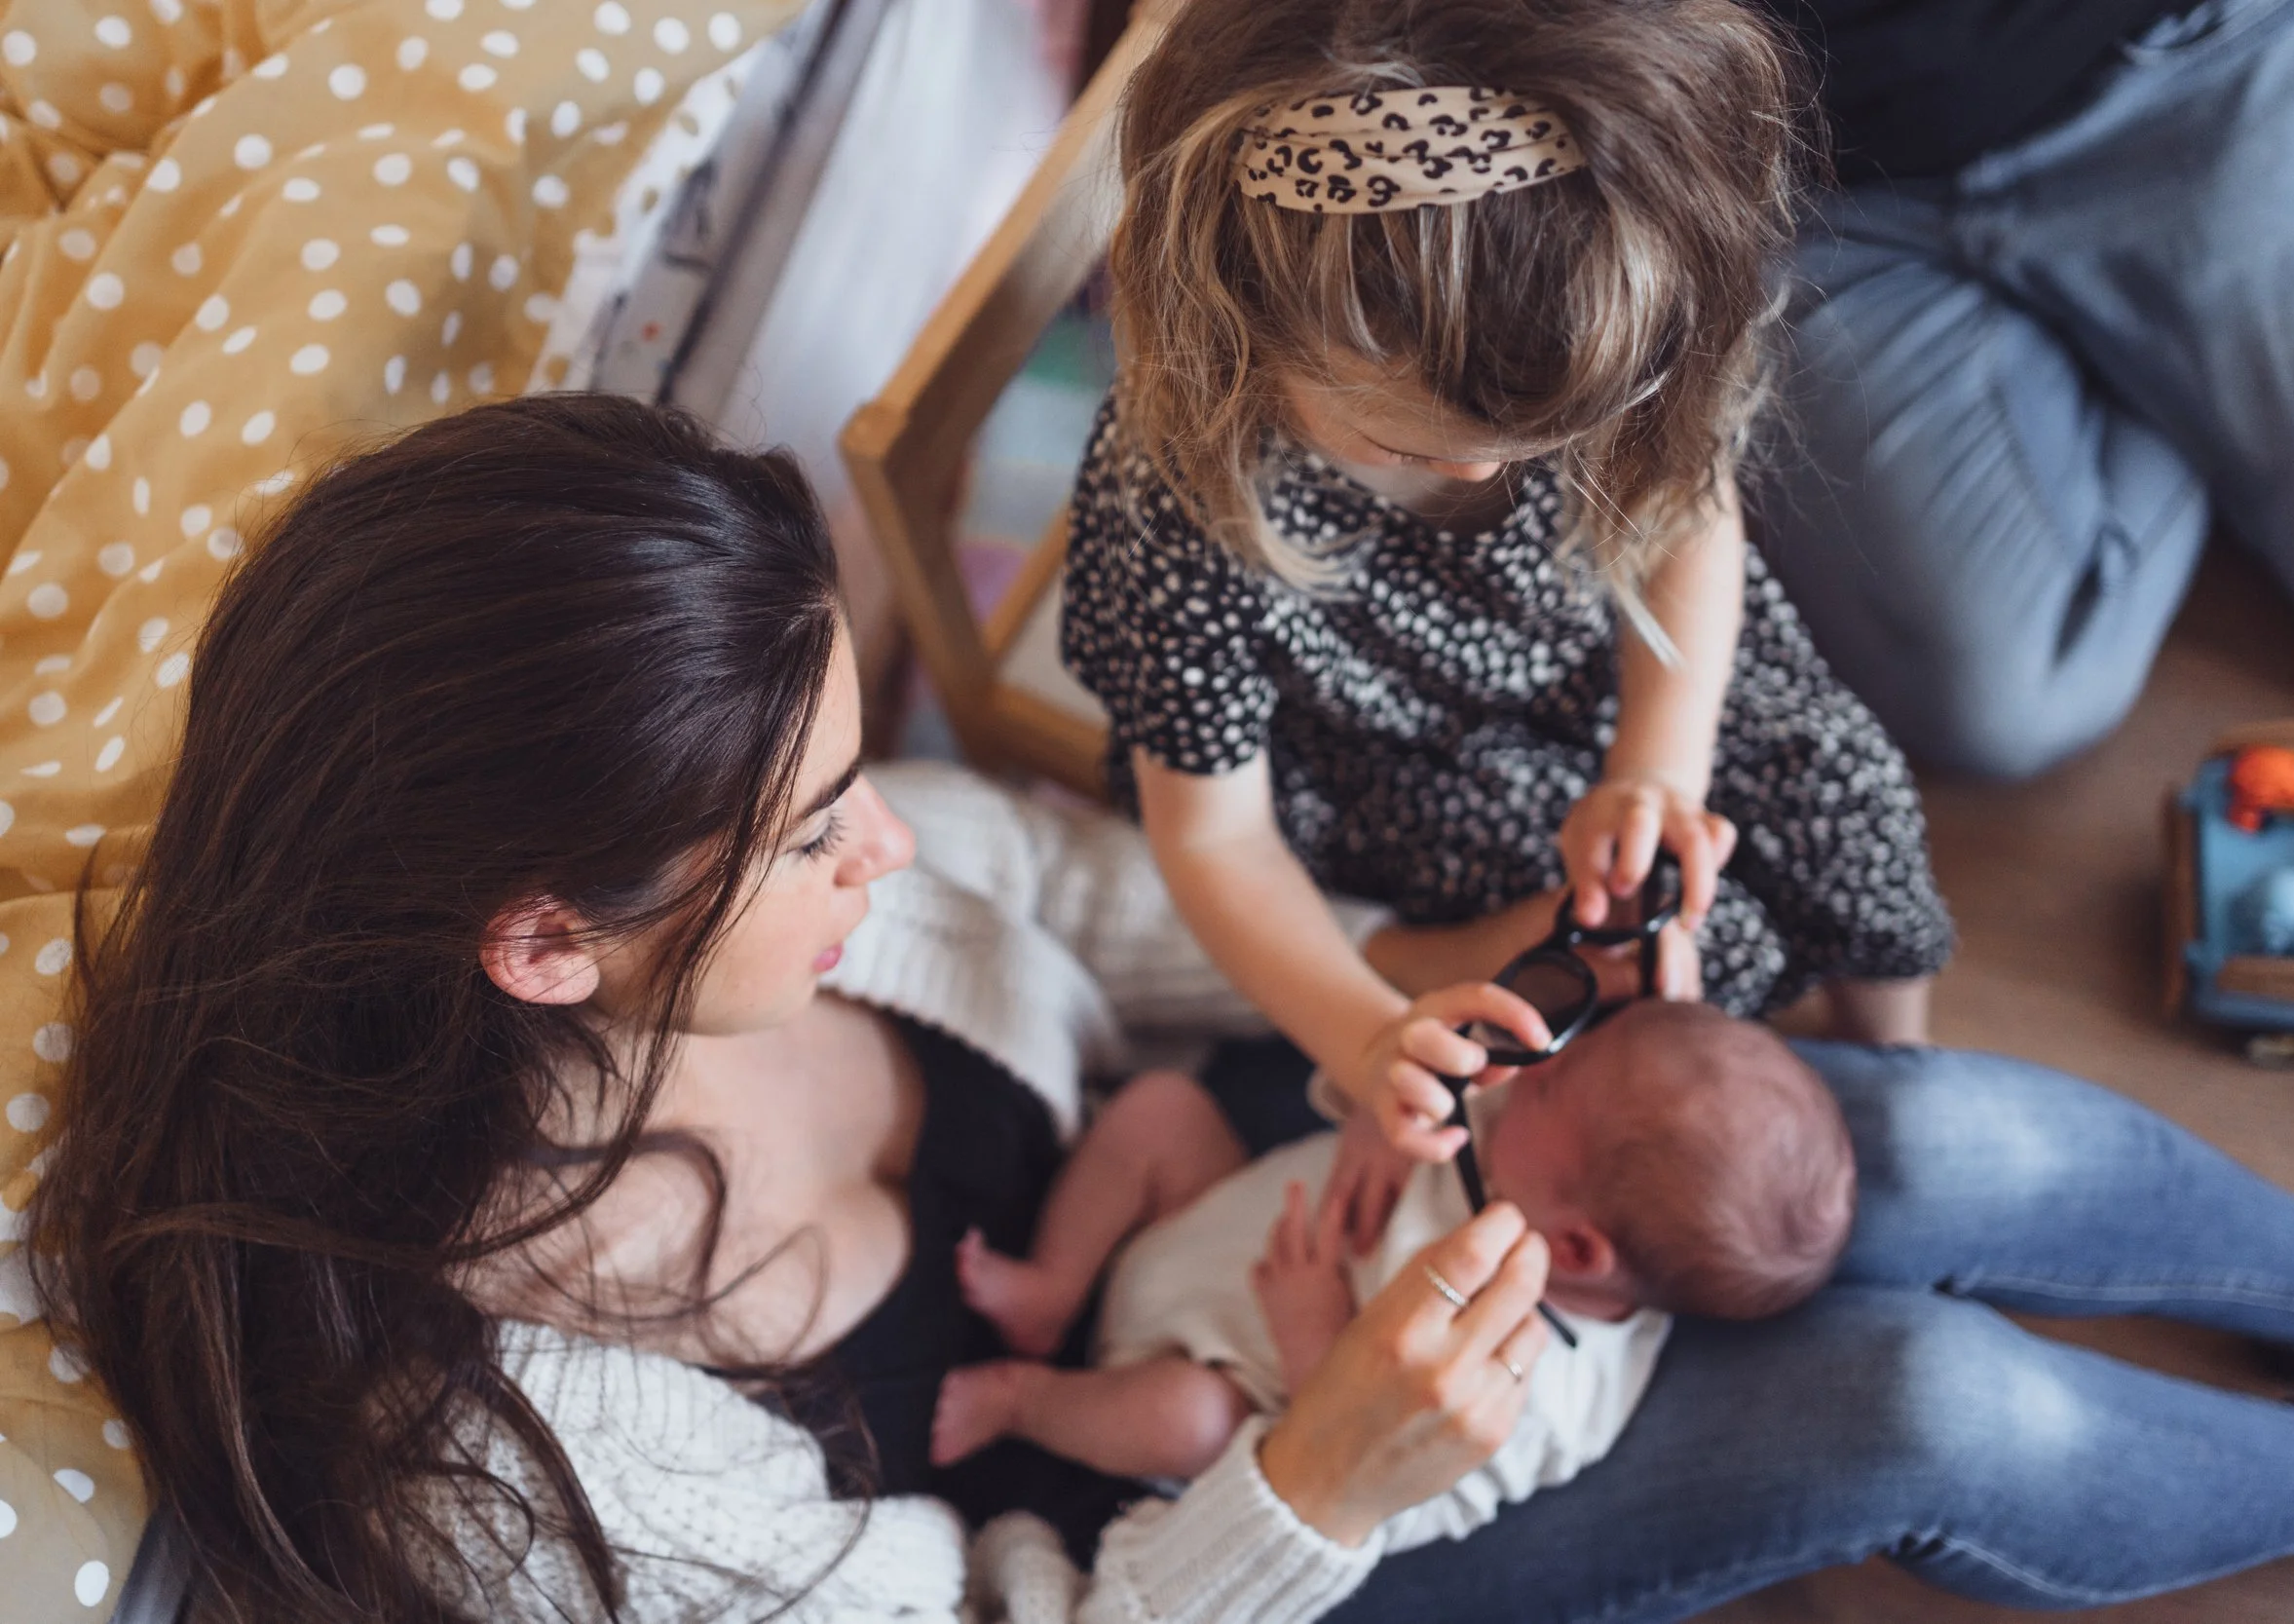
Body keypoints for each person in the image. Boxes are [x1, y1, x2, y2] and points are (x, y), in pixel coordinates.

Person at [23, 395, 1563, 1624]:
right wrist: (1320, 1486)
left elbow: (1047, 881)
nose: (883, 843)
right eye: (821, 826)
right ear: (550, 943)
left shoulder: (758, 892)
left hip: (1234, 1236)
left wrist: (1464, 975)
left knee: (1749, 1135)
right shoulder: (520, 1465)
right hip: (1210, 1549)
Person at [1058, 0, 1958, 1195]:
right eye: (1399, 438)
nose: (1484, 473)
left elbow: (1685, 514)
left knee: (1855, 805)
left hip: (1628, 643)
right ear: (1235, 323)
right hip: (1385, 752)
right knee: (1678, 949)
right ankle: (1419, 956)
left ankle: (1901, 1077)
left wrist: (1653, 770)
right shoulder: (1179, 494)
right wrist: (1362, 1032)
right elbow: (1213, 833)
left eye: (1544, 440)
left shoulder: (1615, 275)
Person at [1749, 0, 2294, 777]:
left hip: (2191, 73)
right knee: (2002, 700)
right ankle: (2170, 350)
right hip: (1822, 184)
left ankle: (2195, 331)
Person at [932, 1001, 1855, 1551]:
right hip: (1209, 1219)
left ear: (1575, 1252)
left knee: (1187, 1418)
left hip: (1231, 1378)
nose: (1529, 1072)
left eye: (1544, 1088)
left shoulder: (1542, 1395)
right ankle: (1053, 1288)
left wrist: (1313, 1331)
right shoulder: (1538, 1155)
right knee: (1163, 1109)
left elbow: (1374, 1493)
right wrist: (1380, 1103)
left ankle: (1028, 1396)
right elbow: (1432, 1064)